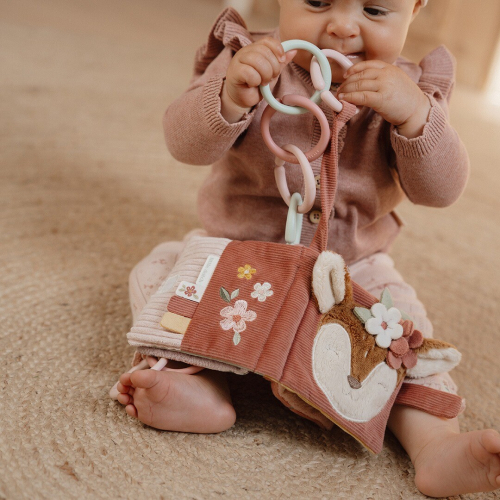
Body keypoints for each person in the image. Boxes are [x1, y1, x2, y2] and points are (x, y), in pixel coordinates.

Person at [116, 1, 500, 496]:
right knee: (165, 270)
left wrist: (415, 118)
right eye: (318, 2)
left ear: (417, 7)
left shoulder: (412, 88)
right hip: (240, 256)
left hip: (353, 267)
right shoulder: (248, 60)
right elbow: (183, 144)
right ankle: (197, 381)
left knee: (405, 331)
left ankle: (435, 444)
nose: (342, 26)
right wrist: (230, 97)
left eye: (375, 9)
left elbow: (441, 191)